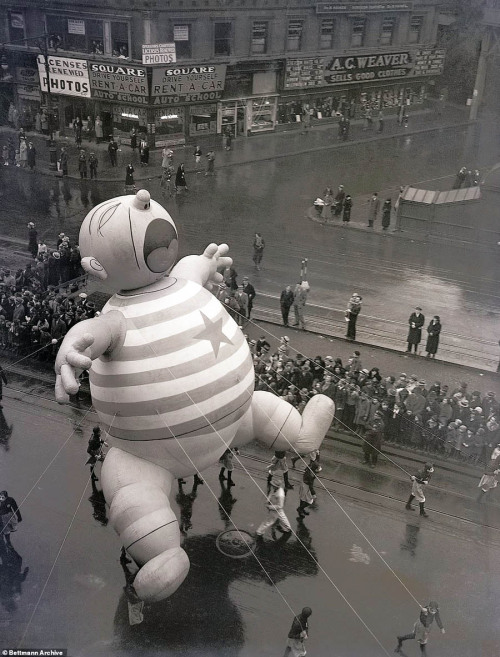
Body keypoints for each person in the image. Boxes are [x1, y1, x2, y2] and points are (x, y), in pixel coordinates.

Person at [256, 475, 291, 540]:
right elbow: (271, 493)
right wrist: (267, 500)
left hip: (275, 509)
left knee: (269, 521)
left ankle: (259, 532)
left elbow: (280, 506)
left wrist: (269, 507)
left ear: (276, 486)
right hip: (275, 506)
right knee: (282, 517)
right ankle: (287, 528)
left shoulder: (280, 495)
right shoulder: (275, 489)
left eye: (273, 485)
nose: (272, 486)